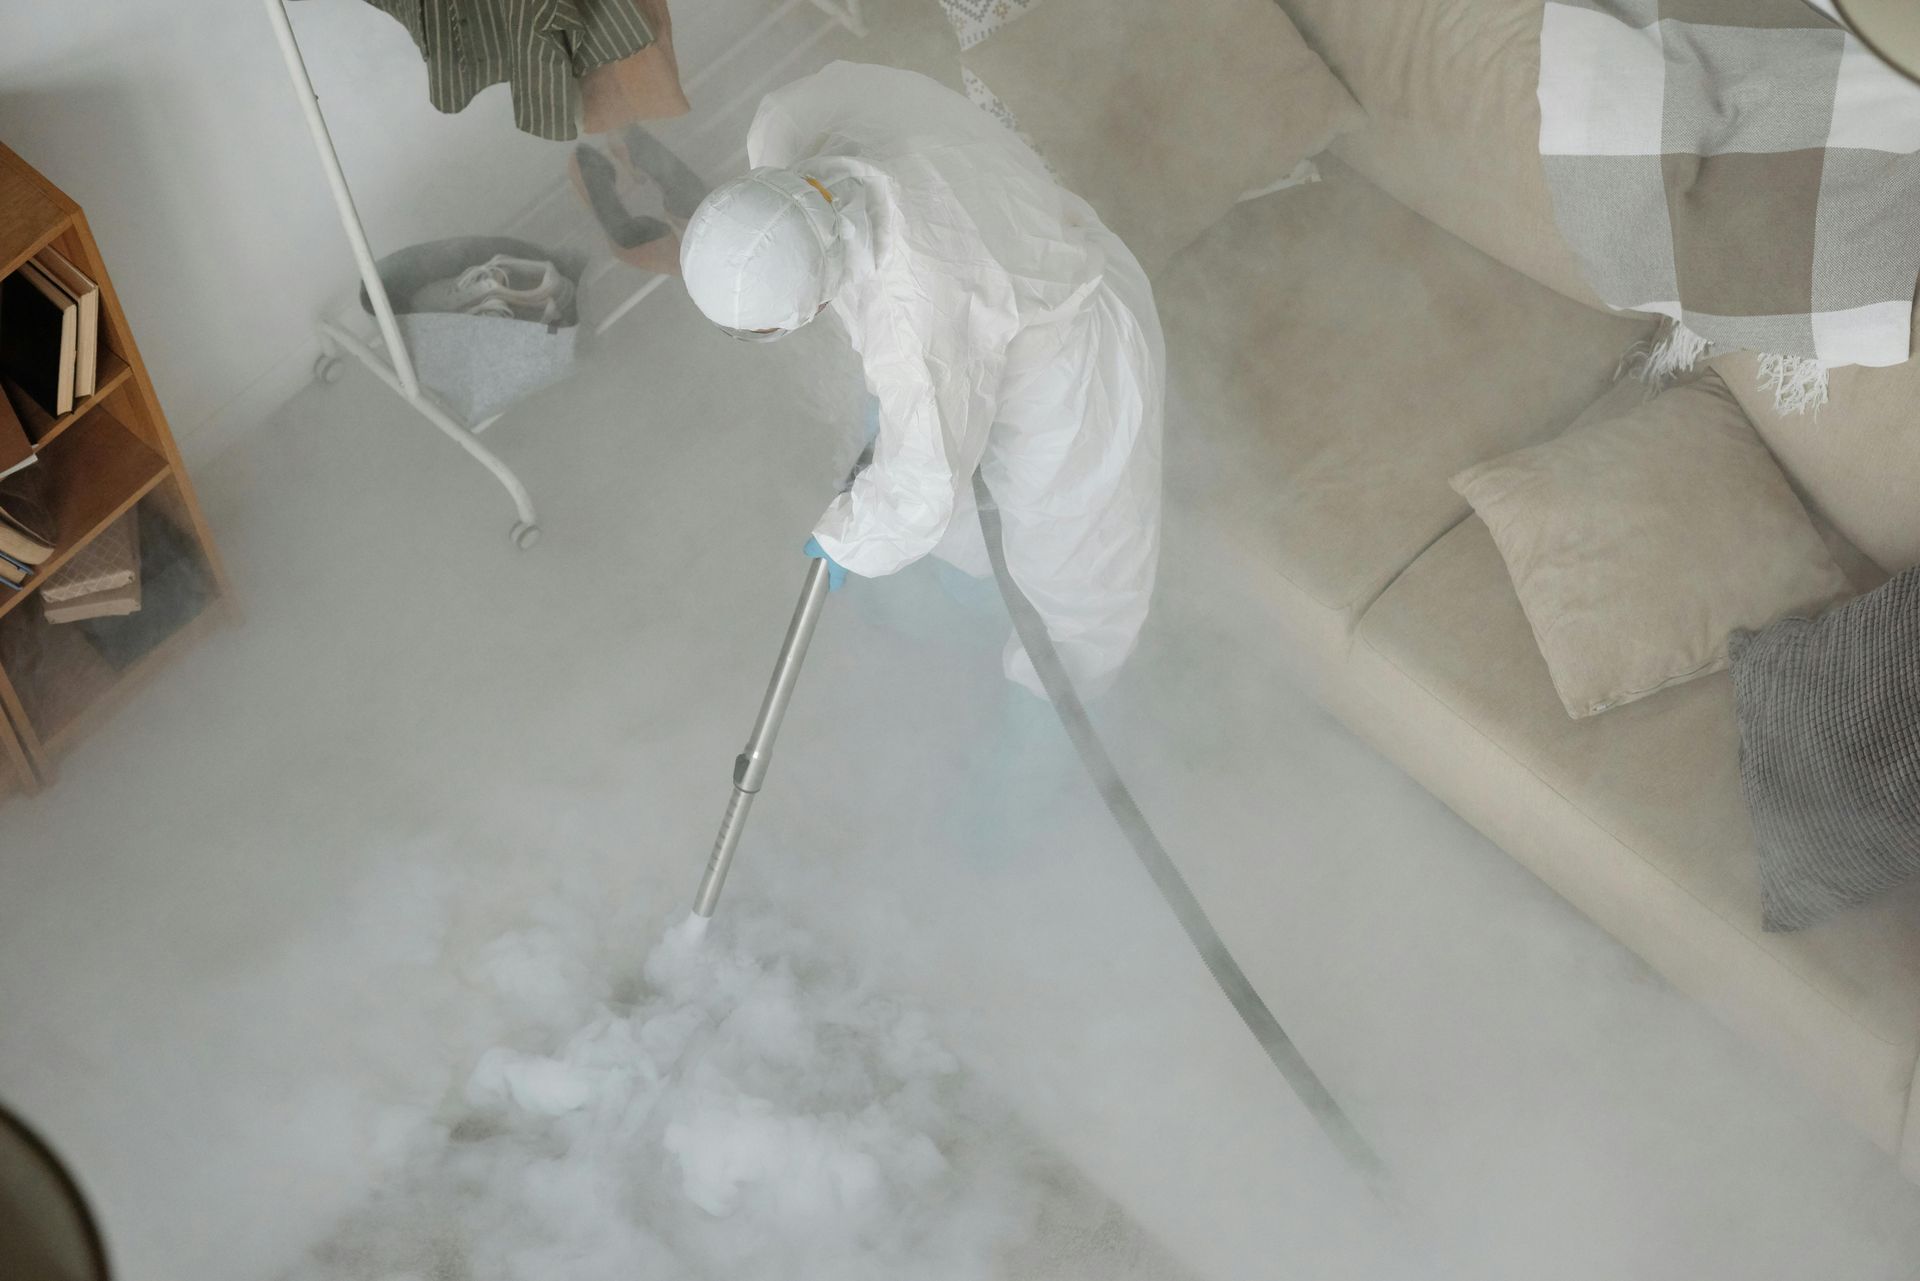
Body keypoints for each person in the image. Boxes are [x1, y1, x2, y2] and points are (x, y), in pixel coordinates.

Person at [680, 62, 1164, 697]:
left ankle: (1050, 718)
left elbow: (920, 488)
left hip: (1071, 359)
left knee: (1077, 574)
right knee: (970, 518)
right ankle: (977, 613)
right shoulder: (790, 128)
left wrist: (849, 540)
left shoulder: (914, 310)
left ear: (814, 304)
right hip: (1011, 262)